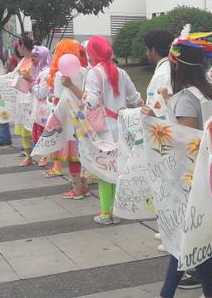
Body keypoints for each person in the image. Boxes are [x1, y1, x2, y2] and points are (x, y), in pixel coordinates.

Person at [142, 41, 212, 298]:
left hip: (190, 177)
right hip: (208, 174)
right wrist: (167, 105)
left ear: (175, 64)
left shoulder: (187, 97)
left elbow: (186, 140)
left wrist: (154, 122)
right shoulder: (209, 92)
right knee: (196, 234)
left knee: (183, 235)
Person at [82, 36, 142, 225]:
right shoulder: (121, 72)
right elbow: (135, 98)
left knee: (104, 171)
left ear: (92, 53)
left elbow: (91, 102)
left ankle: (105, 213)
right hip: (122, 128)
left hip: (103, 129)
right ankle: (117, 210)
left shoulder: (94, 73)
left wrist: (83, 97)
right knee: (117, 169)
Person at [47, 39, 91, 199]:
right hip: (85, 118)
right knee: (83, 154)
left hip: (69, 120)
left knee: (72, 157)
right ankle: (84, 186)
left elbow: (58, 100)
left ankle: (77, 188)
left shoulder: (60, 74)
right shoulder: (85, 71)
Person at [143, 29, 175, 107]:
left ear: (153, 51)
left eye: (147, 50)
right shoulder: (172, 67)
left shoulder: (162, 74)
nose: (146, 54)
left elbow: (158, 108)